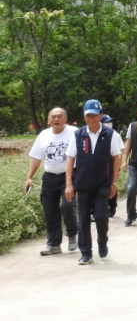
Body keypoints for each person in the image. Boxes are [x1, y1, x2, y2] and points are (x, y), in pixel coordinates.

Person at [65, 99, 122, 265]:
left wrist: (114, 182)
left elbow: (116, 158)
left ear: (101, 116)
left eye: (95, 115)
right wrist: (69, 184)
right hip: (82, 184)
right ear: (84, 117)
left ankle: (102, 242)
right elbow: (70, 160)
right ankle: (86, 252)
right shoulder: (78, 135)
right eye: (88, 115)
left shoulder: (111, 135)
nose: (91, 118)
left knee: (101, 216)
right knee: (82, 218)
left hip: (103, 183)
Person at [25, 107, 78, 256]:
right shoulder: (43, 135)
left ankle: (72, 233)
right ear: (48, 120)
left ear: (65, 119)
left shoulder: (74, 133)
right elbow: (36, 158)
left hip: (69, 175)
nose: (56, 119)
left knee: (68, 206)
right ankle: (54, 244)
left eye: (59, 116)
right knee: (50, 211)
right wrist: (29, 177)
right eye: (53, 117)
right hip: (49, 177)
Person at [101, 114, 123, 218]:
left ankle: (112, 206)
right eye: (106, 122)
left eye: (109, 122)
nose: (108, 124)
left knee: (111, 186)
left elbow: (119, 152)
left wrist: (117, 168)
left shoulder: (115, 135)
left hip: (111, 164)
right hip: (99, 165)